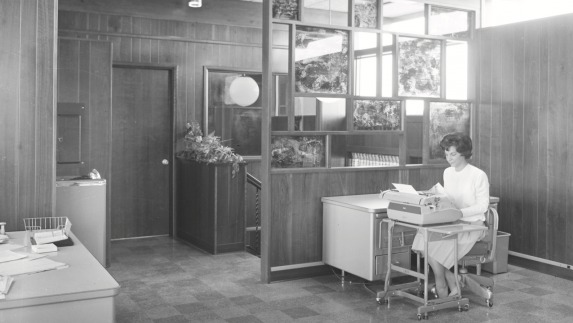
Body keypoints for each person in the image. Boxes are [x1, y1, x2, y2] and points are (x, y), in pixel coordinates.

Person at [411, 133, 490, 299]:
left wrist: (461, 212)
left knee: (433, 247)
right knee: (423, 237)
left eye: (453, 154)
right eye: (446, 154)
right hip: (453, 221)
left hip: (473, 225)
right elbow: (449, 199)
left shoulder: (478, 175)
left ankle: (442, 284)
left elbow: (483, 206)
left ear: (464, 153)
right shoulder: (448, 172)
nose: (449, 158)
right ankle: (452, 281)